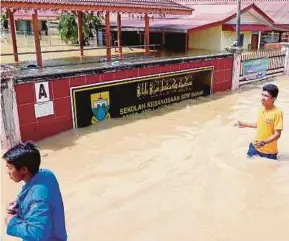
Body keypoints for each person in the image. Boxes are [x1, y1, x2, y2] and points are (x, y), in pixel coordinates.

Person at [3, 141, 67, 241]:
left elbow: (38, 233)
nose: (8, 172)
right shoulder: (46, 174)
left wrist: (12, 222)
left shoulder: (36, 199)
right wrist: (19, 203)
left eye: (10, 168)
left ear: (24, 169)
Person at [235, 84, 283, 160]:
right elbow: (260, 124)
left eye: (266, 96)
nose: (262, 98)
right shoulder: (261, 109)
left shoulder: (277, 113)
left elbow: (277, 134)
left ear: (273, 98)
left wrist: (263, 142)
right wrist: (245, 124)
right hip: (254, 147)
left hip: (269, 152)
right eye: (262, 95)